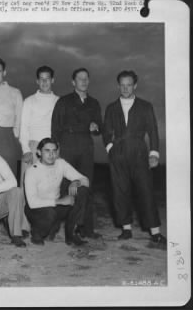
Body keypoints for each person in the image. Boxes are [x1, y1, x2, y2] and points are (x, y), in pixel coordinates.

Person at [103, 70, 166, 245]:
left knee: (145, 191)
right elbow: (106, 133)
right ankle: (126, 229)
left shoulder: (145, 106)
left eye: (129, 84)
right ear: (118, 86)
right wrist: (111, 150)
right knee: (120, 192)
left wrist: (153, 154)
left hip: (139, 151)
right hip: (118, 154)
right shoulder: (111, 108)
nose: (125, 88)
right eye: (122, 85)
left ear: (135, 85)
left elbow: (153, 131)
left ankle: (155, 232)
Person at [51, 67, 102, 239]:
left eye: (86, 78)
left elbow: (99, 127)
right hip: (68, 147)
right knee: (66, 187)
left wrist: (96, 128)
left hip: (86, 148)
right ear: (73, 82)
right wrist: (56, 151)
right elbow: (55, 128)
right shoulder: (63, 102)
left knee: (86, 186)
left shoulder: (94, 103)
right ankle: (62, 226)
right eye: (80, 78)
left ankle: (85, 228)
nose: (84, 81)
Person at [24, 138, 90, 246]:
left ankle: (71, 235)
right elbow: (32, 203)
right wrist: (59, 201)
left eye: (54, 151)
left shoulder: (61, 163)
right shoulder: (32, 171)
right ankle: (37, 233)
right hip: (37, 209)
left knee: (82, 191)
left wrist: (76, 182)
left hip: (55, 206)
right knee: (50, 214)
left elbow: (85, 180)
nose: (51, 154)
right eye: (47, 151)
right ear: (39, 152)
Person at [19, 65, 59, 187]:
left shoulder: (59, 101)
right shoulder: (29, 101)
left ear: (53, 80)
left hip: (52, 147)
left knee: (49, 186)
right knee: (28, 185)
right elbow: (24, 127)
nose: (44, 82)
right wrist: (26, 150)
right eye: (41, 79)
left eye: (47, 78)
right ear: (37, 81)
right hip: (33, 147)